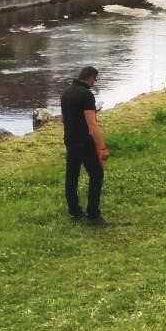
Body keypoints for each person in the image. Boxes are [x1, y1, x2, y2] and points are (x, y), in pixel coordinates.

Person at [61, 66, 108, 225]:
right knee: (96, 174)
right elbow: (92, 125)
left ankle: (74, 211)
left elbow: (65, 119)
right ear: (90, 78)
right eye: (95, 79)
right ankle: (93, 215)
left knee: (72, 176)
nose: (94, 83)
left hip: (70, 139)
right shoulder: (86, 95)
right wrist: (102, 148)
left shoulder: (66, 92)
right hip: (84, 141)